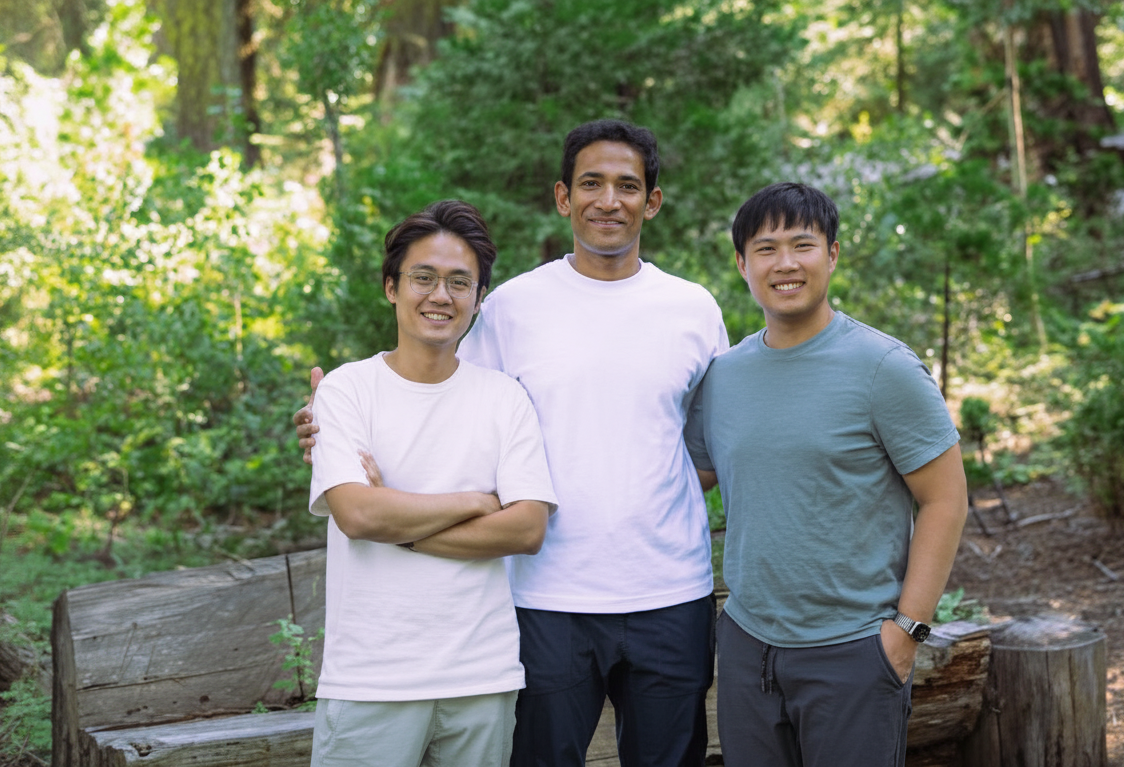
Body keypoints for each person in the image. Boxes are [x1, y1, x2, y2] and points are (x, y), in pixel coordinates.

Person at [297, 120, 729, 767]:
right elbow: (442, 398)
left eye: (627, 185)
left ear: (653, 201)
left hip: (672, 593)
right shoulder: (512, 307)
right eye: (591, 183)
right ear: (563, 197)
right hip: (544, 598)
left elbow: (712, 445)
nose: (608, 200)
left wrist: (644, 490)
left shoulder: (694, 309)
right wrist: (333, 426)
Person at [683, 182, 969, 767]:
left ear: (832, 255)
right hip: (746, 645)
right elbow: (688, 480)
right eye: (765, 249)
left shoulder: (883, 367)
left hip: (855, 652)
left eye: (802, 245)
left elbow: (945, 501)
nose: (785, 263)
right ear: (742, 264)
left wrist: (905, 633)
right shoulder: (723, 377)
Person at [306, 200, 557, 767]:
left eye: (459, 282)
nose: (440, 296)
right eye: (423, 277)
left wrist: (398, 516)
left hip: (481, 677)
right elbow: (358, 516)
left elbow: (525, 527)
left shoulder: (504, 397)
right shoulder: (347, 391)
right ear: (391, 287)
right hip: (370, 680)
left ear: (479, 297)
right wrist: (476, 502)